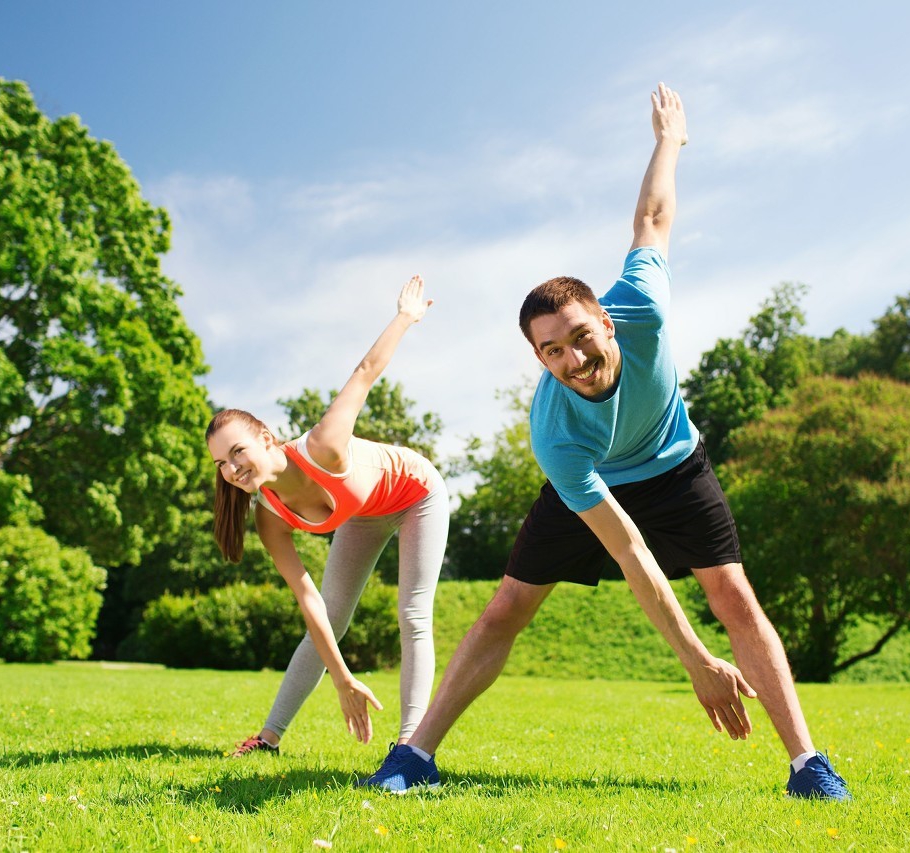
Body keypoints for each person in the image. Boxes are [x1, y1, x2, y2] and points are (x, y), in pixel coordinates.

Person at [360, 85, 851, 800]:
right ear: (541, 359)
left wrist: (669, 143)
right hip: (594, 482)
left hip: (676, 467)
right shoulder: (556, 434)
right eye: (552, 351)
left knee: (734, 595)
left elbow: (652, 218)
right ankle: (415, 755)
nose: (573, 358)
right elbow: (629, 550)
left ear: (607, 323)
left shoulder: (643, 306)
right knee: (506, 608)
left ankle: (808, 764)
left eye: (581, 336)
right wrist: (695, 660)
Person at [206, 275, 448, 756]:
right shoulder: (268, 514)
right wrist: (342, 679)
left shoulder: (324, 445)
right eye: (221, 464)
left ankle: (408, 747)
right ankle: (267, 739)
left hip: (416, 494)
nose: (232, 470)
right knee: (330, 618)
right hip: (365, 515)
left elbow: (365, 370)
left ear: (268, 439)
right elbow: (309, 600)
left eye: (238, 453)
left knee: (412, 614)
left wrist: (406, 315)